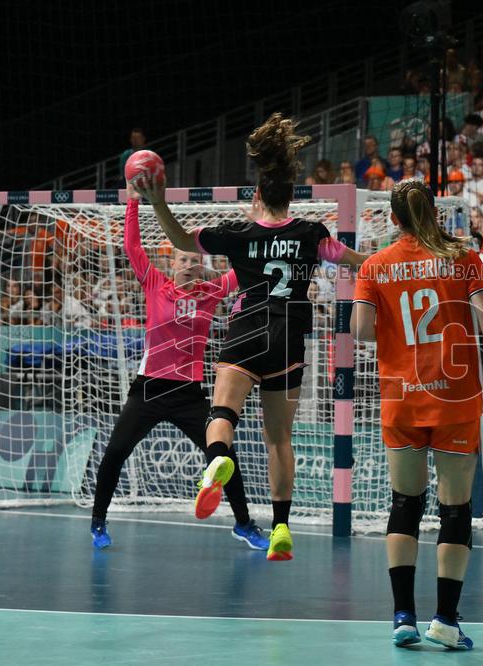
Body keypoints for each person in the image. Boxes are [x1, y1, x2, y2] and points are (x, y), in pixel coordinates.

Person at [141, 113, 366, 562]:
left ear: (258, 195)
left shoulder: (238, 235)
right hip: (289, 338)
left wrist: (159, 202)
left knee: (222, 412)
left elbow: (181, 236)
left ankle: (217, 459)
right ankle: (282, 525)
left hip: (247, 332)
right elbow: (356, 262)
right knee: (279, 439)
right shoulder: (312, 233)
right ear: (291, 197)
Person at [351, 178, 483, 651]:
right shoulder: (463, 257)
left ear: (393, 219)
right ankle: (445, 620)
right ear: (435, 212)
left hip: (402, 396)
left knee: (404, 504)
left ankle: (402, 617)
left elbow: (361, 330)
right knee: (455, 509)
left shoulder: (375, 265)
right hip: (455, 399)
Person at [88, 184, 267, 552]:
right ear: (172, 264)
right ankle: (98, 521)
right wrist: (134, 200)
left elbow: (247, 264)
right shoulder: (155, 284)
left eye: (194, 260)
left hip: (189, 394)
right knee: (114, 453)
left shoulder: (212, 292)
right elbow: (132, 248)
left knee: (224, 456)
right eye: (183, 260)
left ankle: (244, 524)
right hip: (149, 390)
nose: (190, 265)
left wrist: (258, 225)